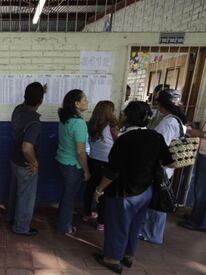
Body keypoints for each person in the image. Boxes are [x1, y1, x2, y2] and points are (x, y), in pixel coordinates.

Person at [93, 101, 173, 274]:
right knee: (135, 224)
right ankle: (128, 255)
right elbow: (167, 160)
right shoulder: (155, 137)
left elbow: (112, 171)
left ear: (127, 117)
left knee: (117, 225)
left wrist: (99, 189)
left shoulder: (125, 140)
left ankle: (112, 258)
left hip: (124, 192)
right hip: (146, 191)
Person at [140, 89, 186, 244]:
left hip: (160, 169)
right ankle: (151, 232)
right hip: (167, 169)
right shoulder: (178, 120)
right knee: (158, 200)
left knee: (157, 202)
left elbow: (160, 147)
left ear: (162, 105)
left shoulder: (168, 122)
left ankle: (152, 234)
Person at [6, 82, 46, 236]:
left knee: (14, 192)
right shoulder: (34, 122)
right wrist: (34, 163)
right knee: (26, 197)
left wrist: (38, 92)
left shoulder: (18, 110)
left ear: (24, 97)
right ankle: (21, 227)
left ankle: (11, 217)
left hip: (14, 160)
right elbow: (27, 147)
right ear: (40, 101)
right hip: (26, 165)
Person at [55, 89, 91, 235]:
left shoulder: (65, 119)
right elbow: (80, 152)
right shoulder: (79, 123)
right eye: (85, 99)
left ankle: (63, 222)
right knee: (69, 197)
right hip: (73, 166)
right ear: (77, 104)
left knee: (67, 194)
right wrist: (87, 171)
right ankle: (64, 227)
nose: (87, 102)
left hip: (63, 161)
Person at [84, 100, 119, 231]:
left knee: (90, 187)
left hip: (93, 160)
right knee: (103, 191)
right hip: (107, 162)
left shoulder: (91, 125)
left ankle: (87, 214)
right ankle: (101, 222)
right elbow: (119, 142)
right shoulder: (112, 126)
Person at [179, 118, 206, 231]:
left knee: (202, 192)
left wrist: (196, 132)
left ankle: (198, 222)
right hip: (203, 153)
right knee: (199, 190)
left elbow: (203, 133)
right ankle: (196, 216)